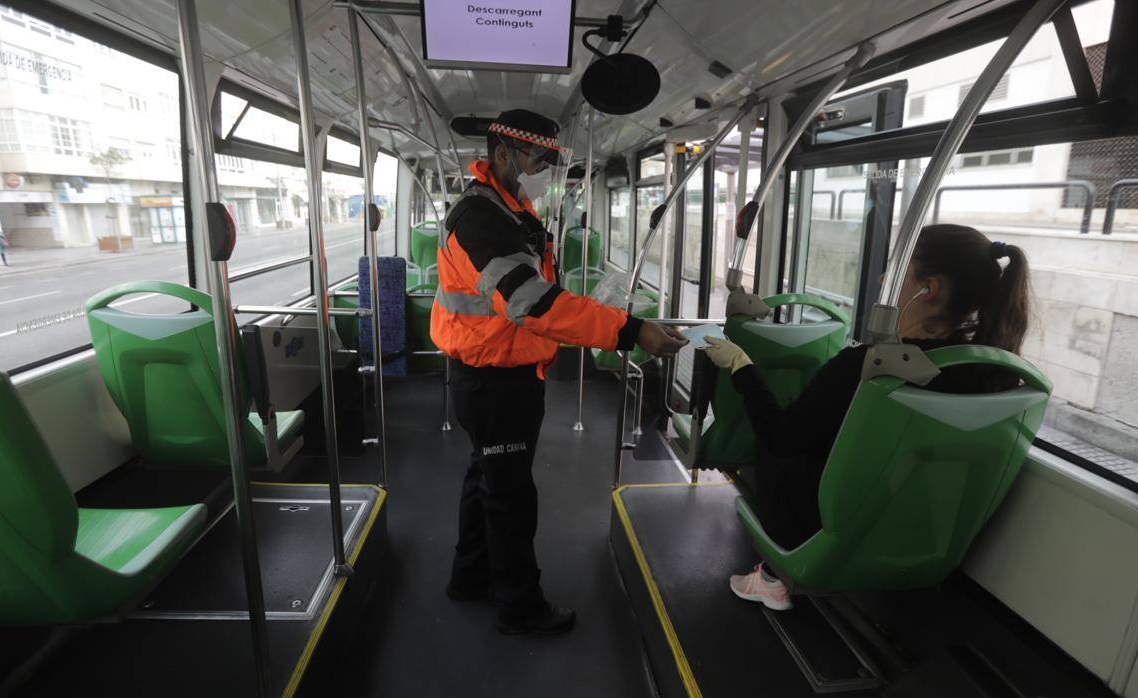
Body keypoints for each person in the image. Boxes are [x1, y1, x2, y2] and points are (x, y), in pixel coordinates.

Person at [432, 109, 689, 636]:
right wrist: (629, 329)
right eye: (538, 157)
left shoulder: (509, 207)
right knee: (509, 496)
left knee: (486, 478)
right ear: (504, 153)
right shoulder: (480, 218)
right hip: (493, 379)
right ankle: (519, 608)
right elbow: (533, 303)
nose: (543, 166)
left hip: (500, 372)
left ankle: (470, 577)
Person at [704, 224, 1031, 611]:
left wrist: (742, 366)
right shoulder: (999, 375)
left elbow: (779, 437)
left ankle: (773, 576)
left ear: (930, 289)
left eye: (895, 271)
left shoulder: (866, 368)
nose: (880, 279)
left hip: (827, 529)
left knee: (783, 442)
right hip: (919, 537)